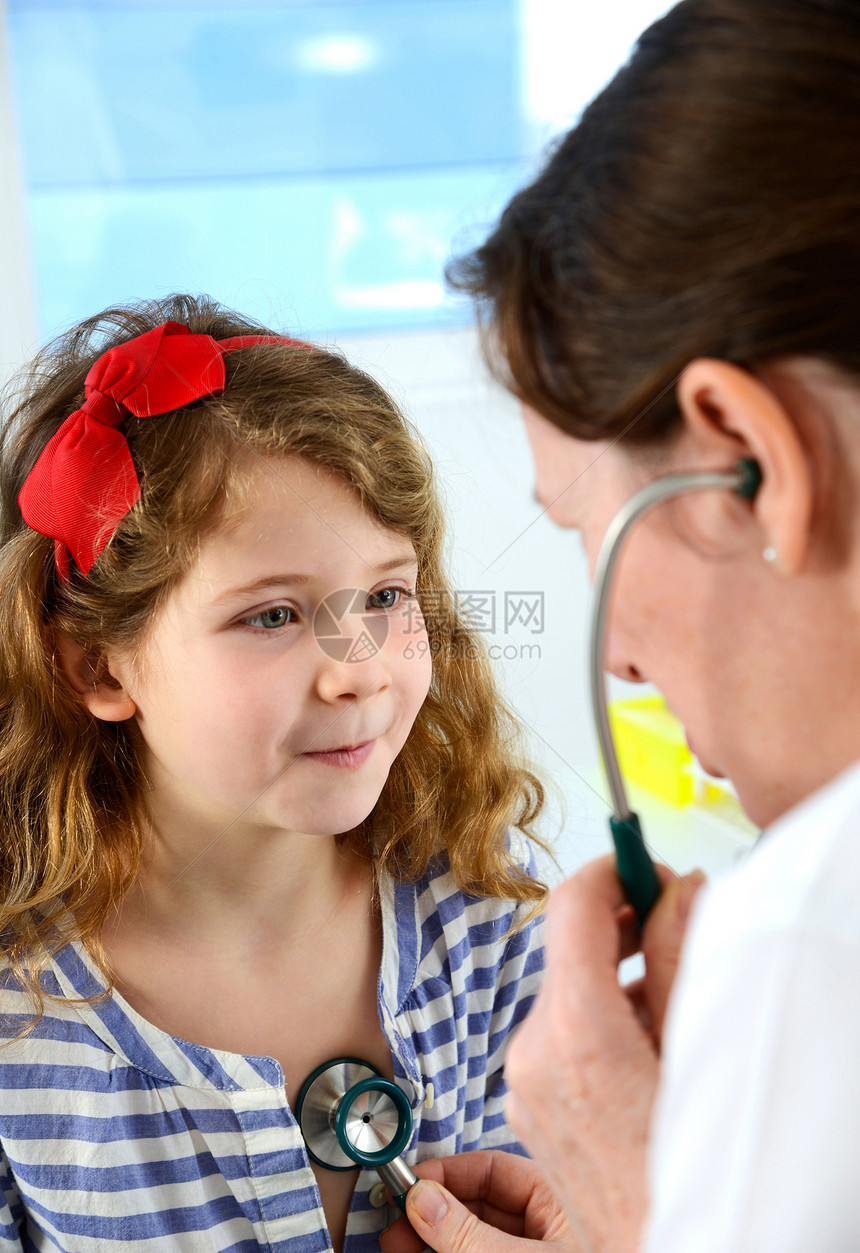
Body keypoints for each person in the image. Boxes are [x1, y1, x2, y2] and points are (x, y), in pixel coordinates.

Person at [379, 0, 860, 1250]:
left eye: (578, 524)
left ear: (747, 457)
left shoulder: (809, 939)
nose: (610, 657)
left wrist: (634, 1206)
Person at [0, 294, 549, 1252]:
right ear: (98, 666)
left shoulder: (484, 905)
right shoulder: (24, 1020)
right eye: (272, 616)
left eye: (385, 594)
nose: (360, 668)